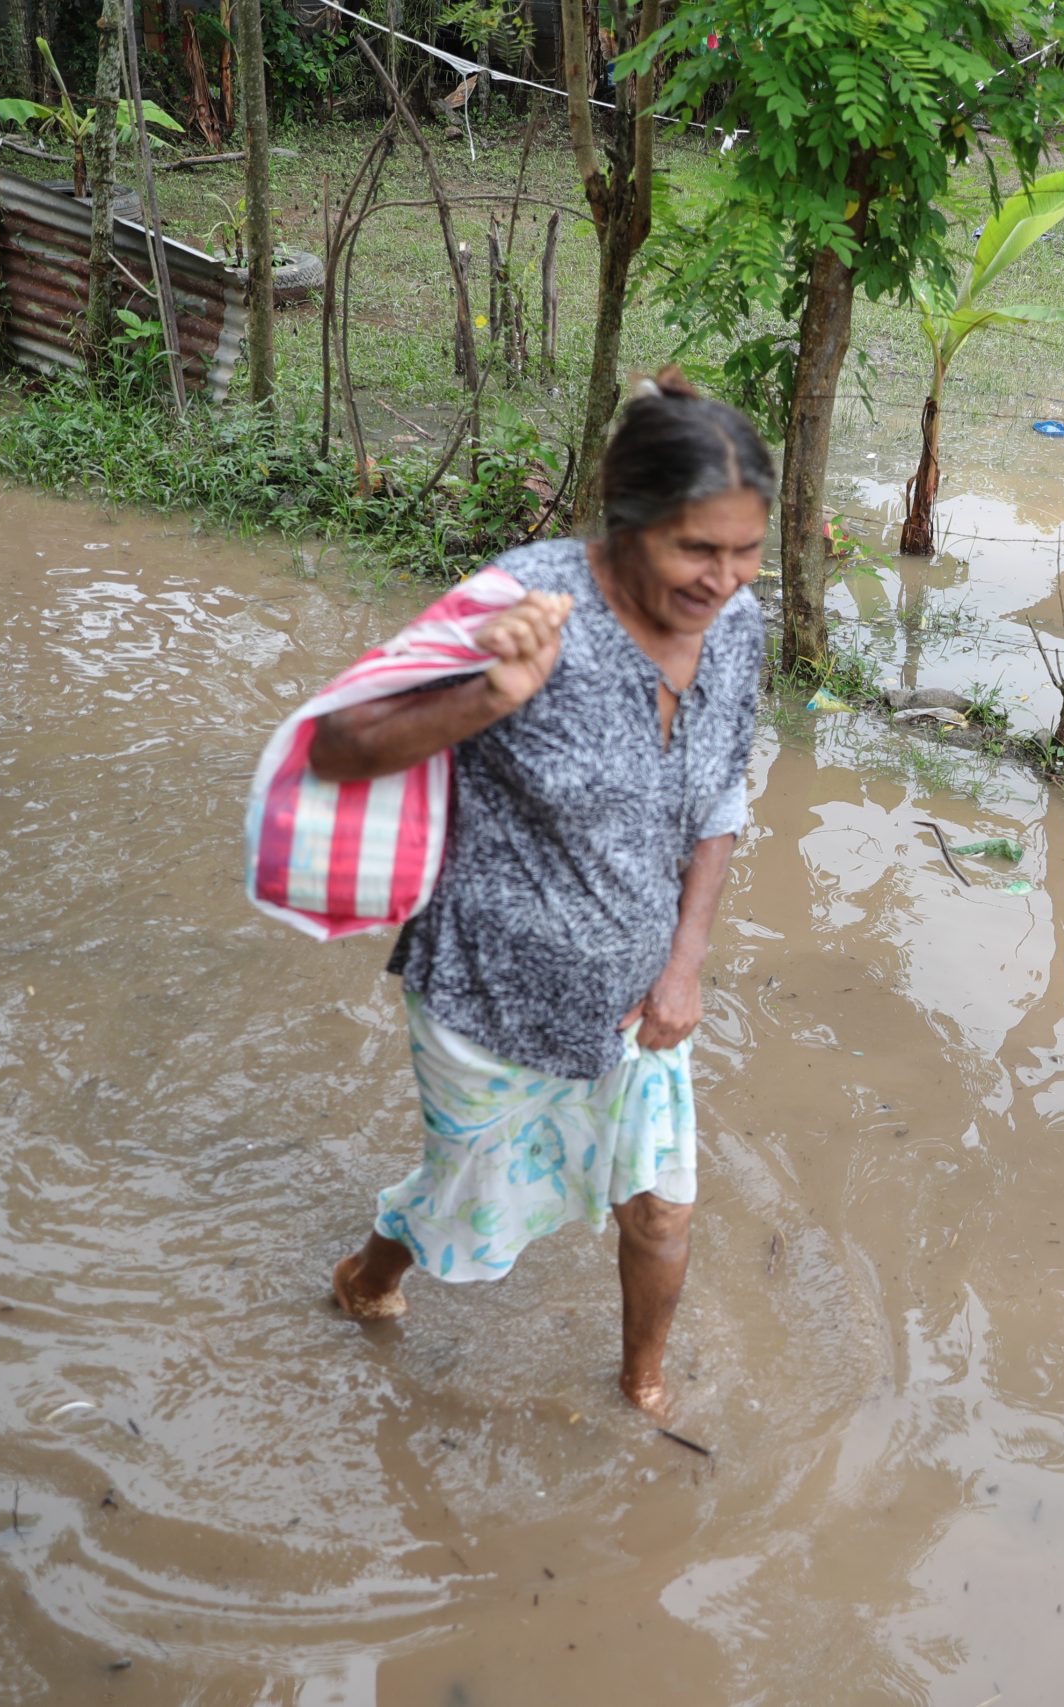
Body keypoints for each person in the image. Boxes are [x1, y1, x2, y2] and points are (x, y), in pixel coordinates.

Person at [317, 372, 769, 1422]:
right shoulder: (521, 601)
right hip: (488, 995)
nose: (723, 578)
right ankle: (367, 1275)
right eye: (696, 550)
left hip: (638, 998)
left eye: (746, 550)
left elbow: (719, 797)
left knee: (661, 1211)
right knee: (464, 1199)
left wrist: (685, 966)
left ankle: (641, 1390)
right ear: (626, 522)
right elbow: (340, 746)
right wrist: (491, 694)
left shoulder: (739, 623)